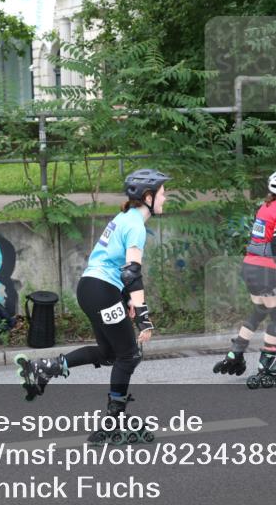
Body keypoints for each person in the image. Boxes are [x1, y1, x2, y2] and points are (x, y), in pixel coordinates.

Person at [15, 168, 170, 441]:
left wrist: (126, 300)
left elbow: (116, 265)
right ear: (148, 196)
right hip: (103, 290)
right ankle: (114, 421)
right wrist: (143, 315)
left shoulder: (125, 217)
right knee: (129, 355)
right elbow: (131, 272)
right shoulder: (135, 225)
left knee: (110, 352)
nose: (165, 198)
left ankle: (46, 368)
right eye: (162, 193)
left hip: (92, 288)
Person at [214, 168, 276, 388]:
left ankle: (236, 352)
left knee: (260, 310)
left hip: (250, 266)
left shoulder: (266, 207)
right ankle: (267, 363)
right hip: (265, 269)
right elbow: (275, 244)